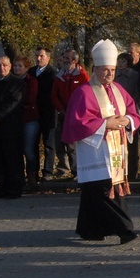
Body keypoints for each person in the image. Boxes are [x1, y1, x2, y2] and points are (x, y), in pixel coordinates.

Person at [62, 39, 140, 244]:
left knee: (93, 193)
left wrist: (128, 120)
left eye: (112, 70)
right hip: (95, 151)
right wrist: (105, 124)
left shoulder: (118, 90)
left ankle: (90, 229)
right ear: (96, 69)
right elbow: (77, 123)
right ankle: (126, 230)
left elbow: (134, 113)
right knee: (104, 191)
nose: (109, 74)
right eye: (105, 70)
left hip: (116, 150)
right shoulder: (84, 92)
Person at [52, 50, 91, 181]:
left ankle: (78, 171)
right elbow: (54, 95)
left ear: (74, 60)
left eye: (67, 58)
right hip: (63, 113)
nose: (65, 60)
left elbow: (86, 94)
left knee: (73, 144)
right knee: (60, 142)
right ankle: (64, 168)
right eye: (64, 57)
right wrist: (61, 109)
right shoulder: (60, 75)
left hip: (76, 114)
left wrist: (75, 110)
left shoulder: (82, 75)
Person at [0, 55, 26, 199]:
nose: (2, 68)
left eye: (5, 65)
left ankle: (15, 189)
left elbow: (13, 103)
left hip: (10, 126)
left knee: (12, 158)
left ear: (10, 66)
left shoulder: (17, 82)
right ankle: (2, 188)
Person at [28, 47, 59, 180]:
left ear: (48, 58)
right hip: (34, 113)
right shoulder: (31, 72)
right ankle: (33, 172)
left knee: (48, 143)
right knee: (33, 143)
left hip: (48, 113)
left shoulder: (52, 73)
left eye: (41, 56)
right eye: (37, 56)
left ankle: (48, 172)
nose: (38, 58)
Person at [13, 57, 39, 189]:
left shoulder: (31, 81)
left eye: (20, 66)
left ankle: (32, 177)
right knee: (16, 150)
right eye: (15, 66)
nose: (17, 68)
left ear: (26, 68)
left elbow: (29, 98)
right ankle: (18, 177)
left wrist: (15, 102)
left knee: (28, 150)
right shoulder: (11, 81)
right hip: (14, 120)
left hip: (29, 119)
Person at [114, 52, 140, 180]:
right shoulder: (114, 76)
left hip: (132, 110)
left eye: (123, 60)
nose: (120, 63)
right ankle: (120, 173)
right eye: (119, 60)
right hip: (118, 111)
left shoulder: (135, 75)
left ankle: (132, 174)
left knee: (133, 144)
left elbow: (137, 91)